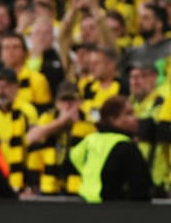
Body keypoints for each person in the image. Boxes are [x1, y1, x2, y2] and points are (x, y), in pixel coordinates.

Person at [70, 96, 154, 202]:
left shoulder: (90, 139)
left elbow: (74, 157)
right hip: (114, 209)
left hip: (85, 203)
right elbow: (141, 189)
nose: (135, 118)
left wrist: (90, 176)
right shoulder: (126, 147)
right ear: (112, 119)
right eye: (129, 114)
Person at [26, 82, 94, 197]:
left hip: (79, 187)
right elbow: (30, 138)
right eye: (64, 101)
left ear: (80, 102)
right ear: (57, 103)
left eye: (72, 100)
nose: (68, 105)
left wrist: (76, 125)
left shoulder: (89, 121)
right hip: (50, 185)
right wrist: (60, 123)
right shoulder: (48, 117)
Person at [0, 69, 38, 193]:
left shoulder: (27, 111)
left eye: (6, 86)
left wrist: (32, 182)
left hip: (21, 174)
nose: (1, 90)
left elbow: (34, 148)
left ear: (16, 88)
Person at [129, 60, 171, 195]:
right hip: (134, 176)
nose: (135, 82)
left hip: (156, 176)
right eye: (132, 77)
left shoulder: (161, 101)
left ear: (153, 77)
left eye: (140, 77)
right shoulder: (129, 103)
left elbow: (153, 130)